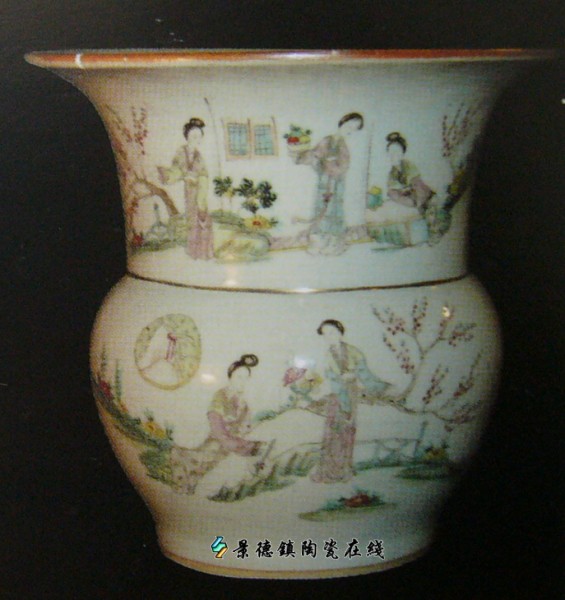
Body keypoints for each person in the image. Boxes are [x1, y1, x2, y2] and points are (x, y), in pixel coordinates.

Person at [309, 319, 389, 483]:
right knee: (333, 432)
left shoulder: (354, 352)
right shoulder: (328, 355)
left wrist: (381, 387)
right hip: (337, 396)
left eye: (331, 332)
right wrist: (340, 383)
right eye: (325, 334)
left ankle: (344, 470)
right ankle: (329, 471)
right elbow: (331, 379)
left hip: (351, 393)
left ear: (340, 332)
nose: (329, 336)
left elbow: (365, 374)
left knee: (347, 431)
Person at [170, 354, 263, 493]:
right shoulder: (221, 396)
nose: (242, 381)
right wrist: (233, 443)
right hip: (219, 440)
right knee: (206, 457)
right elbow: (216, 426)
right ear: (230, 377)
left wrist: (245, 438)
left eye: (246, 378)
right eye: (239, 377)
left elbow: (247, 425)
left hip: (236, 440)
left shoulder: (243, 402)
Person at [296, 112, 364, 255]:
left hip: (337, 184)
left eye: (355, 128)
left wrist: (334, 167)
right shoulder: (327, 140)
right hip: (325, 182)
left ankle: (333, 243)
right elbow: (316, 155)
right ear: (342, 123)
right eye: (349, 125)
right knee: (322, 209)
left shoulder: (343, 145)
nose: (350, 130)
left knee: (335, 211)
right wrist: (316, 160)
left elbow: (344, 166)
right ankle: (317, 242)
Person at [158, 118, 214, 259]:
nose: (196, 139)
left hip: (199, 190)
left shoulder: (199, 156)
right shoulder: (181, 152)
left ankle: (204, 252)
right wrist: (184, 175)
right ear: (187, 136)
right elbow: (177, 168)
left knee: (202, 217)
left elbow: (203, 174)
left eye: (199, 136)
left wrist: (197, 179)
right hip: (189, 191)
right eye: (193, 136)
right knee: (191, 220)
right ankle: (193, 251)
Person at [385, 132, 434, 213]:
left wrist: (419, 205)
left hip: (425, 199)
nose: (392, 156)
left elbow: (418, 186)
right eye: (390, 152)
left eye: (396, 152)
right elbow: (392, 191)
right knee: (391, 194)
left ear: (402, 153)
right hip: (411, 199)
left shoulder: (408, 165)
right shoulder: (393, 172)